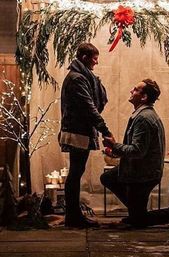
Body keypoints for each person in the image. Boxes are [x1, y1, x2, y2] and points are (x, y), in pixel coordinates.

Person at [59, 42, 112, 228]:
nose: (96, 62)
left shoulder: (81, 76)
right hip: (78, 131)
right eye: (94, 58)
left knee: (76, 172)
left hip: (79, 130)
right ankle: (73, 216)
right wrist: (105, 130)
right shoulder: (77, 79)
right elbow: (89, 107)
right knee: (75, 173)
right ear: (84, 58)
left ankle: (73, 215)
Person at [100, 79, 165, 228]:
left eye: (135, 89)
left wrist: (115, 146)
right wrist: (115, 149)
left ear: (144, 97)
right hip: (139, 169)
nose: (131, 91)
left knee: (140, 220)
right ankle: (136, 210)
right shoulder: (143, 115)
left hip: (143, 174)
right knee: (108, 177)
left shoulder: (143, 118)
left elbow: (137, 151)